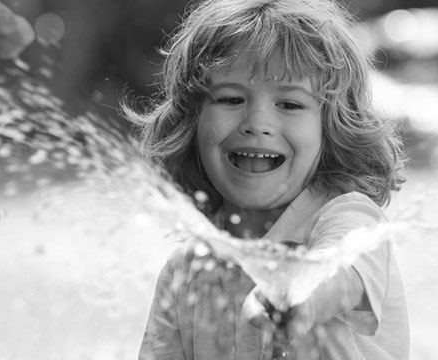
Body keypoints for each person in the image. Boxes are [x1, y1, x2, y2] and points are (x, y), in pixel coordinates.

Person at [130, 0, 408, 359]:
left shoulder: (349, 220)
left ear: (332, 130)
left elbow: (344, 271)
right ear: (191, 123)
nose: (257, 122)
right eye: (230, 98)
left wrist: (300, 296)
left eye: (289, 104)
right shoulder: (186, 274)